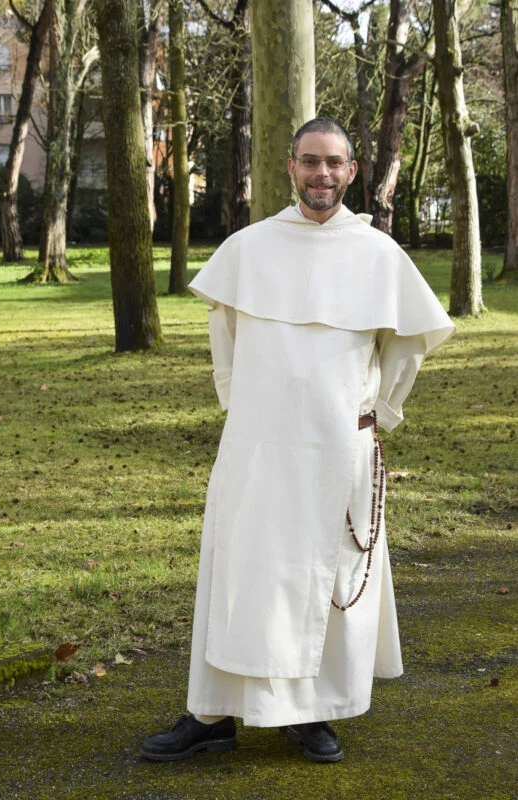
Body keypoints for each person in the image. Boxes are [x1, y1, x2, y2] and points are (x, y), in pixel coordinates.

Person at [141, 117, 455, 764]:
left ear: (351, 171)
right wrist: (252, 410)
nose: (322, 174)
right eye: (310, 162)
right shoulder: (249, 248)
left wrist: (377, 414)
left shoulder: (377, 256)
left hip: (340, 446)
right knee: (241, 574)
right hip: (257, 446)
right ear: (291, 167)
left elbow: (407, 348)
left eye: (334, 162)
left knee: (325, 582)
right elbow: (223, 340)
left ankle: (310, 715)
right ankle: (213, 712)